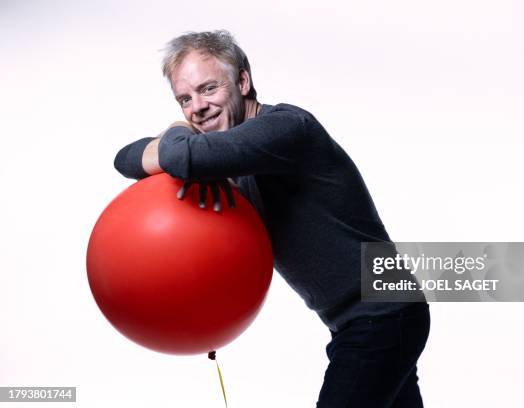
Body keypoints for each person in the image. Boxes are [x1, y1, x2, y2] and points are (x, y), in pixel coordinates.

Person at [114, 29, 430, 407]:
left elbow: (184, 156)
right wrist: (182, 145)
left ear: (243, 81)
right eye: (184, 99)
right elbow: (125, 159)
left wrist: (177, 130)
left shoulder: (284, 130)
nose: (197, 106)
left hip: (381, 318)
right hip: (370, 320)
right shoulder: (238, 157)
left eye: (209, 89)